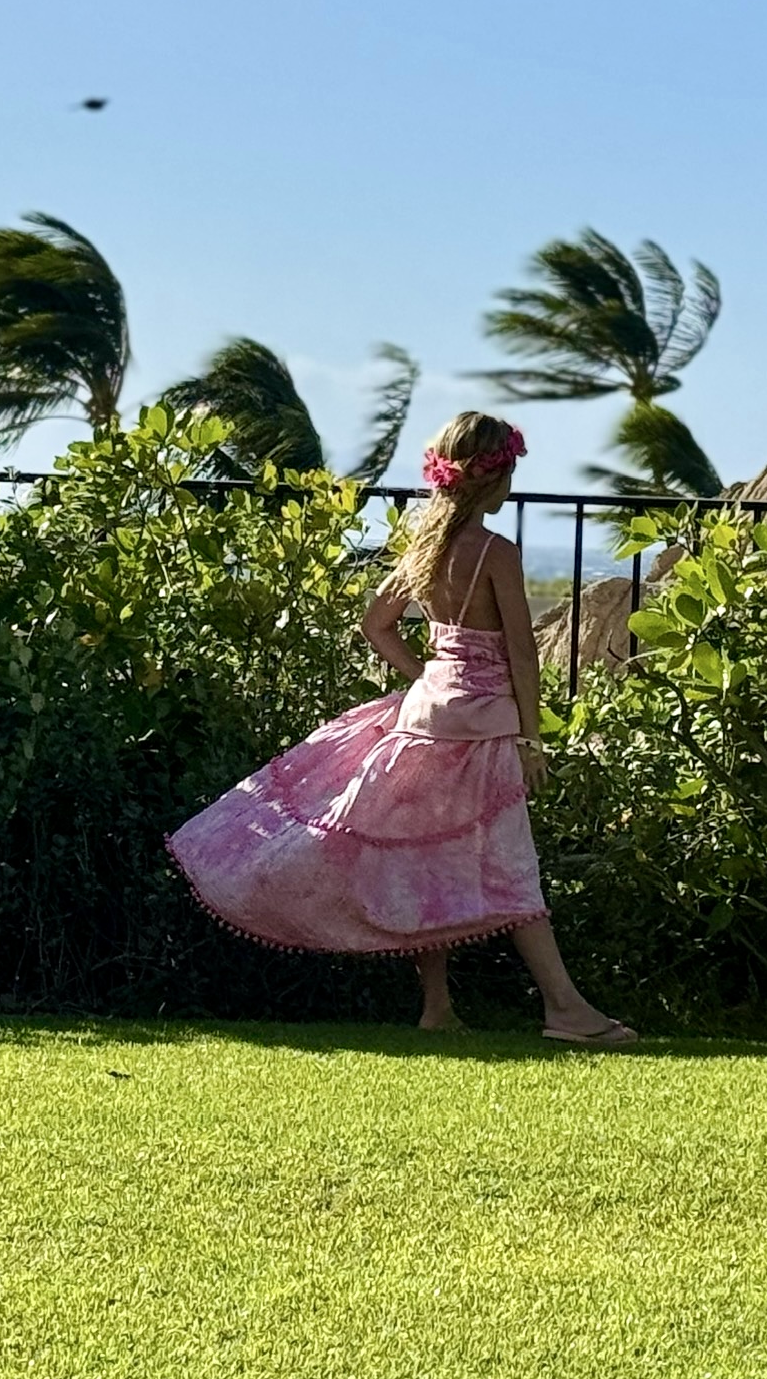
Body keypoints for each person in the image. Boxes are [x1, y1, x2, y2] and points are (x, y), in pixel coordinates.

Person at [167, 411, 637, 1046]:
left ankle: (438, 1006)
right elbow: (523, 655)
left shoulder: (427, 551)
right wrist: (531, 737)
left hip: (424, 718)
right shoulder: (496, 553)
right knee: (510, 868)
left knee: (426, 862)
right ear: (488, 480)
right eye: (510, 473)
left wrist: (426, 675)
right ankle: (564, 1009)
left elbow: (375, 625)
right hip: (482, 725)